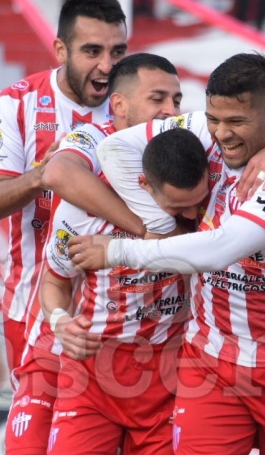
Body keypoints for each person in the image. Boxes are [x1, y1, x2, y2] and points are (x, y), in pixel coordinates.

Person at [68, 53, 265, 455]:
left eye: (236, 122)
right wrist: (157, 225)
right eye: (214, 119)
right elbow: (115, 149)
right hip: (208, 360)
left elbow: (222, 248)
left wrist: (122, 249)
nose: (222, 134)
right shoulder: (203, 132)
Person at [2, 52, 181, 455]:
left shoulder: (194, 158)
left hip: (169, 370)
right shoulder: (88, 169)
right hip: (86, 362)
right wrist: (62, 319)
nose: (171, 111)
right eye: (158, 99)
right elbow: (59, 174)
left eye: (177, 99)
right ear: (118, 106)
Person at [0, 0, 127, 391]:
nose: (107, 66)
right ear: (61, 50)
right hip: (32, 304)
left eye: (117, 52)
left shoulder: (135, 104)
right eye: (92, 51)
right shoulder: (15, 103)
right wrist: (45, 173)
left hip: (115, 310)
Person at [40, 128, 206, 455]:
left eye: (194, 206)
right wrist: (60, 320)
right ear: (145, 185)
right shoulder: (79, 212)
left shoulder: (196, 196)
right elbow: (54, 282)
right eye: (177, 208)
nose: (190, 215)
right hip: (92, 372)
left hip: (170, 373)